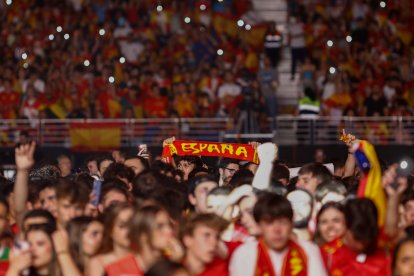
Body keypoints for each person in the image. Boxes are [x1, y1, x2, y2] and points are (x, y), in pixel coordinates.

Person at [229, 192, 327, 276]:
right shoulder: (244, 255)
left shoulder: (308, 250)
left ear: (291, 224)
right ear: (259, 225)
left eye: (283, 222)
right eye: (269, 223)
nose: (277, 230)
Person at [87, 203, 133, 275]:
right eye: (122, 226)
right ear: (110, 230)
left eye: (132, 224)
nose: (129, 231)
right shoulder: (99, 263)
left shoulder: (144, 258)